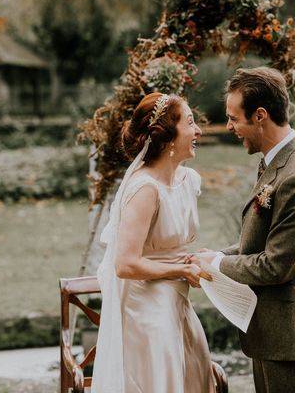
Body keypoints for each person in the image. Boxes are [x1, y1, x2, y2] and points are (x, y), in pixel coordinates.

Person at [191, 67, 295, 393]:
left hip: (292, 344)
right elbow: (258, 242)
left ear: (260, 116)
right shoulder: (275, 163)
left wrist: (216, 264)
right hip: (271, 336)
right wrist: (214, 255)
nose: (229, 127)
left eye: (233, 118)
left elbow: (276, 265)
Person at [92, 92, 216, 393]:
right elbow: (125, 264)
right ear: (168, 137)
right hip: (146, 310)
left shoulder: (189, 181)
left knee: (197, 369)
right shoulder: (145, 188)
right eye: (190, 123)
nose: (198, 130)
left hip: (177, 300)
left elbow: (171, 248)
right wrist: (180, 271)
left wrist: (191, 261)